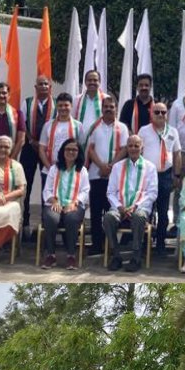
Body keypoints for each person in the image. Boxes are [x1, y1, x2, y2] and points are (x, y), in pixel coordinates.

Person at [83, 93, 128, 256]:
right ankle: (96, 244)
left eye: (112, 107)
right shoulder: (95, 126)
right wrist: (102, 166)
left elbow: (124, 149)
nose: (109, 109)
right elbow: (90, 149)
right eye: (106, 107)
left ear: (116, 109)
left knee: (111, 213)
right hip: (96, 174)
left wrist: (111, 166)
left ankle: (111, 244)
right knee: (95, 213)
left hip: (115, 177)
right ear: (102, 109)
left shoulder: (122, 128)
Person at [105, 135, 157, 271]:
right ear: (126, 148)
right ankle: (116, 256)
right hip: (120, 208)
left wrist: (136, 206)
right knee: (109, 217)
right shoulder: (117, 167)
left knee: (139, 217)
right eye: (130, 145)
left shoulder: (150, 167)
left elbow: (152, 193)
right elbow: (110, 192)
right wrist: (120, 207)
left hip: (140, 207)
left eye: (136, 145)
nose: (133, 148)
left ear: (142, 148)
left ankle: (136, 257)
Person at [138, 102, 182, 255]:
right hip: (147, 175)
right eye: (157, 112)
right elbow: (138, 152)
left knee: (163, 212)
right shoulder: (144, 131)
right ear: (151, 113)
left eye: (163, 112)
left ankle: (161, 244)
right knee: (146, 209)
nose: (160, 115)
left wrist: (177, 175)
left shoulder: (173, 132)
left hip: (165, 175)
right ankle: (145, 243)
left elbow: (177, 154)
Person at [41, 137, 89, 269]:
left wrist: (74, 203)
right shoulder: (54, 169)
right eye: (68, 149)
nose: (71, 152)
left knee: (72, 218)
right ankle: (51, 255)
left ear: (78, 152)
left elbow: (85, 191)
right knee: (51, 218)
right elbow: (47, 189)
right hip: (55, 203)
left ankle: (71, 256)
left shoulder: (82, 170)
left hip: (74, 205)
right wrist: (54, 201)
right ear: (62, 151)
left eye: (74, 150)